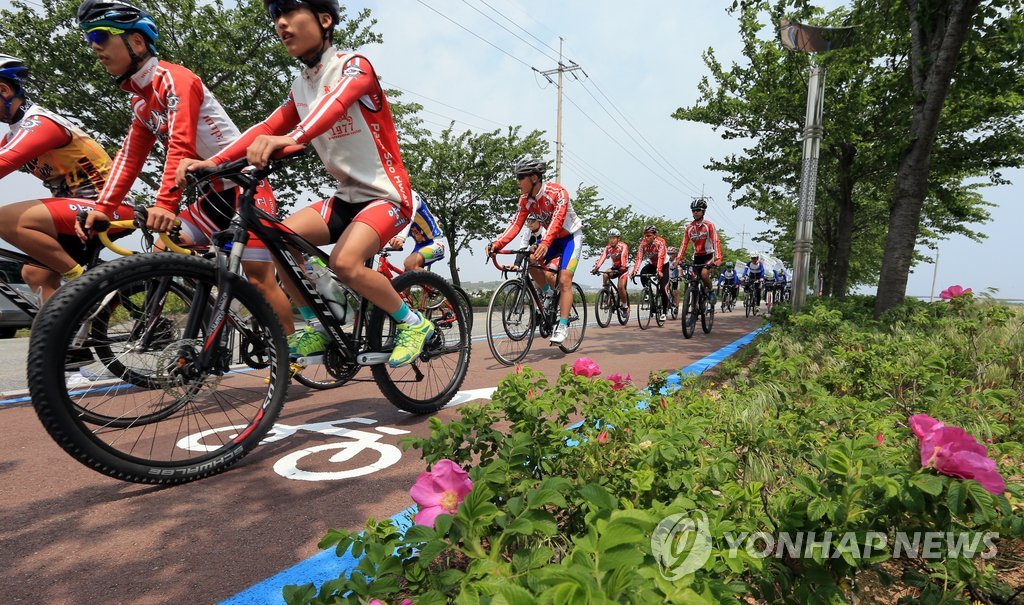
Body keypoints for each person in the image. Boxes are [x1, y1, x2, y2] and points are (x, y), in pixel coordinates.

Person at [176, 0, 429, 367]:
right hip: (346, 197)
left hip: (386, 194)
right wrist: (213, 162)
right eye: (275, 16)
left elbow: (337, 104)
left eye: (290, 12)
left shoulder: (354, 66)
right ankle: (320, 323)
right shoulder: (301, 86)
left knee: (345, 263)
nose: (281, 23)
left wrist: (293, 135)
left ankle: (413, 323)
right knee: (275, 238)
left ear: (324, 20)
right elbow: (265, 127)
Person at [73, 0, 294, 337]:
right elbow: (129, 158)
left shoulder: (174, 79)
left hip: (246, 188)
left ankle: (289, 352)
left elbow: (181, 146)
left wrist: (165, 204)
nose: (95, 49)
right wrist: (102, 208)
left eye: (101, 37)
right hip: (213, 197)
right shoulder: (140, 99)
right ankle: (201, 343)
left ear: (135, 42)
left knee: (258, 276)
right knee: (164, 252)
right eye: (90, 41)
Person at [0, 53, 133, 302]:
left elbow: (3, 163)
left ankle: (85, 286)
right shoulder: (12, 135)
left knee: (6, 219)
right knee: (36, 274)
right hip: (74, 215)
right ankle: (65, 336)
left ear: (3, 89)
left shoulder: (40, 123)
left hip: (107, 209)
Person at [487, 156, 582, 345]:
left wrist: (545, 243)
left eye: (521, 177)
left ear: (534, 178)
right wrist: (497, 244)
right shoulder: (525, 200)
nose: (517, 181)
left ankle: (562, 325)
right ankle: (547, 292)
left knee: (564, 279)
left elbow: (556, 220)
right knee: (528, 260)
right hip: (552, 239)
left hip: (571, 237)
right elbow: (515, 224)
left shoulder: (558, 193)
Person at [676, 197, 722, 310]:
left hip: (708, 256)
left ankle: (711, 291)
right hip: (697, 257)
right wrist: (678, 258)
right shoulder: (689, 228)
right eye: (693, 210)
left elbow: (716, 241)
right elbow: (684, 244)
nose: (695, 212)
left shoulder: (709, 225)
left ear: (703, 211)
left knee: (704, 274)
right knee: (692, 279)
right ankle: (694, 304)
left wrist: (718, 258)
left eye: (698, 210)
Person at [388, 191, 444, 271]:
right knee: (404, 279)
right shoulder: (395, 206)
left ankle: (438, 283)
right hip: (419, 247)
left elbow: (410, 216)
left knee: (409, 264)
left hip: (435, 243)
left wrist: (401, 237)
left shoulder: (412, 196)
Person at [629, 225, 669, 322]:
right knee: (643, 272)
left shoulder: (660, 242)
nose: (646, 238)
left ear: (654, 235)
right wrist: (634, 271)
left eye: (649, 235)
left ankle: (664, 311)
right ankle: (648, 292)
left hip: (663, 265)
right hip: (653, 264)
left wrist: (659, 271)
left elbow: (661, 257)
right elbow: (639, 258)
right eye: (645, 236)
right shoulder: (643, 244)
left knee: (663, 288)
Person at [591, 227, 629, 317]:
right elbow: (602, 257)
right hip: (615, 267)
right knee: (605, 274)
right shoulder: (608, 248)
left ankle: (625, 306)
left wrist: (623, 266)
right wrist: (596, 268)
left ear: (618, 239)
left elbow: (623, 256)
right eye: (610, 238)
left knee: (620, 287)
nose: (611, 240)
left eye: (614, 238)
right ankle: (607, 295)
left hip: (623, 269)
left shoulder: (623, 246)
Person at [666, 245, 680, 314]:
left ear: (675, 255)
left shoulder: (677, 261)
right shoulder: (665, 260)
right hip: (667, 277)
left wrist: (680, 276)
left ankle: (676, 307)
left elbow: (680, 270)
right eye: (668, 253)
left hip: (675, 277)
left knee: (675, 292)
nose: (669, 255)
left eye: (671, 254)